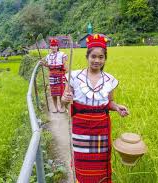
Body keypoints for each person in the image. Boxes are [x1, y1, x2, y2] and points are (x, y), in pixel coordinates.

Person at [62, 34, 129, 183]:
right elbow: (64, 103)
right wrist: (64, 100)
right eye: (93, 56)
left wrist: (117, 107)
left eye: (101, 57)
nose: (97, 60)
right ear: (87, 56)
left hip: (101, 129)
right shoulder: (74, 76)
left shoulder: (109, 80)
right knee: (82, 164)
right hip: (80, 129)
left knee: (100, 165)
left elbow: (110, 102)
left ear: (105, 59)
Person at [44, 38, 68, 113]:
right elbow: (48, 65)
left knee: (61, 92)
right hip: (52, 75)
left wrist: (61, 68)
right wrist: (44, 64)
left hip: (60, 75)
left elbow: (64, 65)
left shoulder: (62, 54)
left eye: (55, 46)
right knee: (54, 93)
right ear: (50, 47)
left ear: (57, 46)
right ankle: (55, 107)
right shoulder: (48, 56)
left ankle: (62, 106)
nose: (53, 47)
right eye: (52, 46)